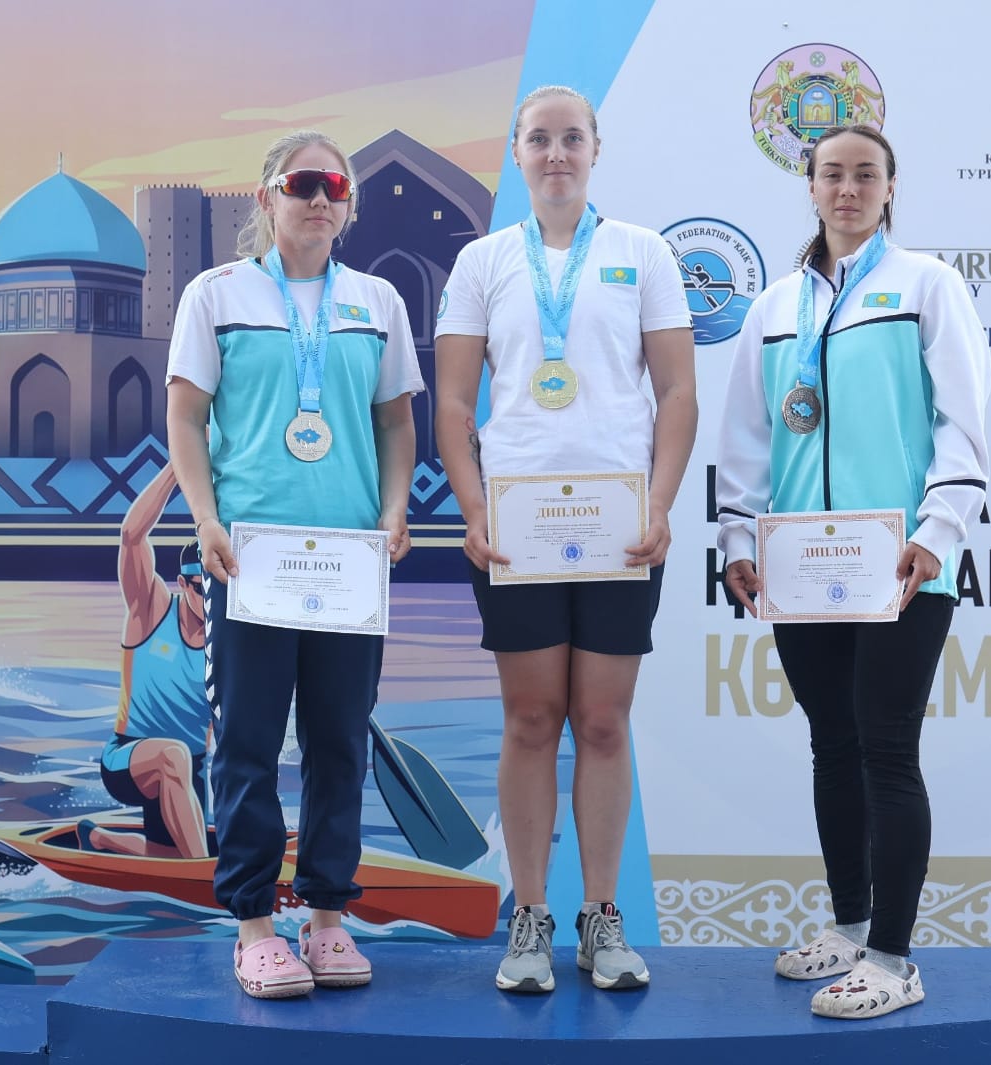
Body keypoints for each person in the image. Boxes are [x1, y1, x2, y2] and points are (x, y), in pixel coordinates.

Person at [715, 125, 991, 1019]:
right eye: (832, 174)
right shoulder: (774, 306)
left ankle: (893, 959)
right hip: (800, 566)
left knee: (887, 749)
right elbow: (747, 435)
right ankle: (849, 924)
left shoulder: (927, 286)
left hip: (901, 563)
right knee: (832, 744)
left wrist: (939, 530)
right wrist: (738, 539)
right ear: (810, 187)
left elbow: (962, 421)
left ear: (890, 187)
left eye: (865, 174)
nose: (847, 188)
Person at [434, 85, 696, 993]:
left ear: (595, 150)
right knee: (532, 719)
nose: (556, 154)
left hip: (622, 527)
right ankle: (531, 918)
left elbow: (678, 394)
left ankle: (602, 917)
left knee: (605, 721)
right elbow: (454, 404)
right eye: (539, 139)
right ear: (517, 153)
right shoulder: (482, 261)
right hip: (518, 530)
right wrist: (473, 508)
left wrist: (660, 504)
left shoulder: (643, 253)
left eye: (571, 138)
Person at [167, 130, 421, 999]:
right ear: (267, 196)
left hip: (348, 564)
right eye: (301, 183)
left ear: (348, 204)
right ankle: (253, 928)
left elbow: (395, 423)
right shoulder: (216, 294)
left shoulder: (378, 301)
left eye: (334, 187)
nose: (319, 198)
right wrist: (205, 520)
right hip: (250, 560)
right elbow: (186, 418)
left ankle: (326, 918)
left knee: (338, 743)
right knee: (245, 744)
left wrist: (394, 509)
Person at [81, 463, 210, 860]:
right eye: (201, 587)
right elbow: (131, 535)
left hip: (191, 768)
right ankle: (202, 874)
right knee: (173, 756)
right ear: (182, 583)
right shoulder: (150, 611)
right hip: (129, 758)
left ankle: (99, 839)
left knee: (166, 856)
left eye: (217, 587)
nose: (210, 598)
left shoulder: (227, 639)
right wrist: (180, 463)